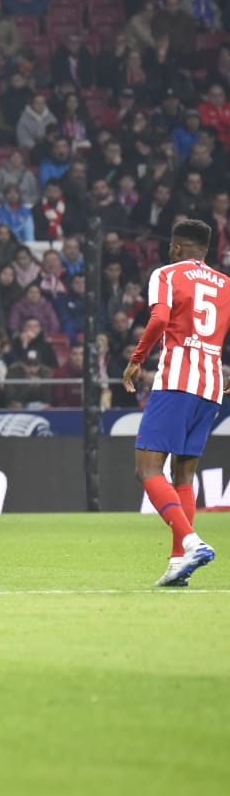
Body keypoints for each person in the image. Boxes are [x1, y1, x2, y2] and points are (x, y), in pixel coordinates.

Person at [123, 220, 225, 587]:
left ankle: (191, 543)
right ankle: (177, 563)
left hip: (177, 382)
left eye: (171, 246)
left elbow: (160, 317)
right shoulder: (226, 284)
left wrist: (137, 358)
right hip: (210, 387)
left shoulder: (166, 273)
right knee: (184, 474)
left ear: (178, 248)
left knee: (147, 469)